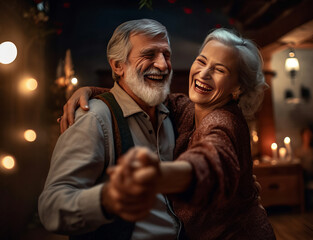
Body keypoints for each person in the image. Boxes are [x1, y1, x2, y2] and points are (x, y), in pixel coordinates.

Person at [58, 27, 275, 239]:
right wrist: (90, 91)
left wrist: (160, 176)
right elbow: (135, 92)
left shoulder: (225, 121)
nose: (204, 73)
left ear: (237, 88)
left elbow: (213, 160)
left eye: (220, 70)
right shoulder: (186, 108)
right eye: (202, 61)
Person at [39, 19, 186, 239]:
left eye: (166, 55)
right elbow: (52, 208)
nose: (163, 65)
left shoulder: (171, 114)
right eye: (149, 55)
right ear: (118, 66)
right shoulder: (94, 118)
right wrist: (106, 200)